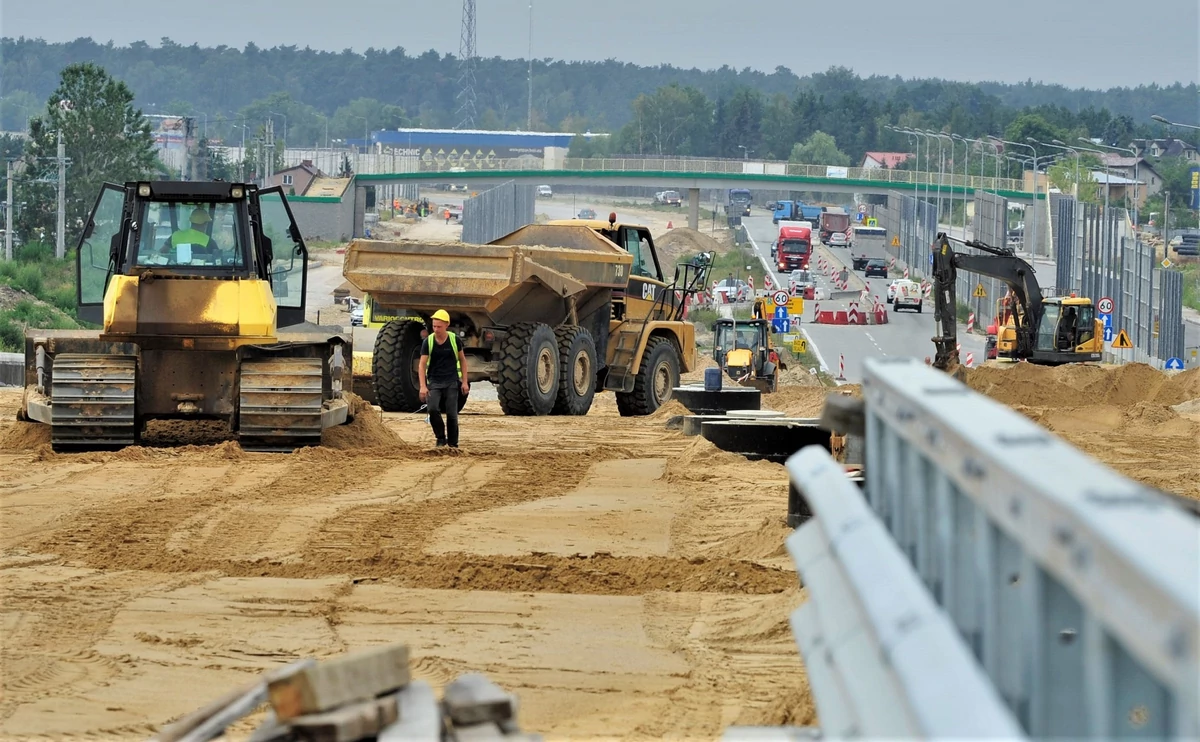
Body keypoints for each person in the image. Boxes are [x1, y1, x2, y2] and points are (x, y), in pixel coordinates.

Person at [418, 309, 470, 448]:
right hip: (434, 382)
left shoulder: (454, 340)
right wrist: (423, 386)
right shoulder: (428, 342)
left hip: (451, 381)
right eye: (434, 326)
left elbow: (463, 361)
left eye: (439, 326)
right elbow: (422, 365)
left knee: (452, 414)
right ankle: (440, 438)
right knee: (433, 409)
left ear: (447, 325)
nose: (436, 329)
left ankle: (453, 444)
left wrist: (464, 382)